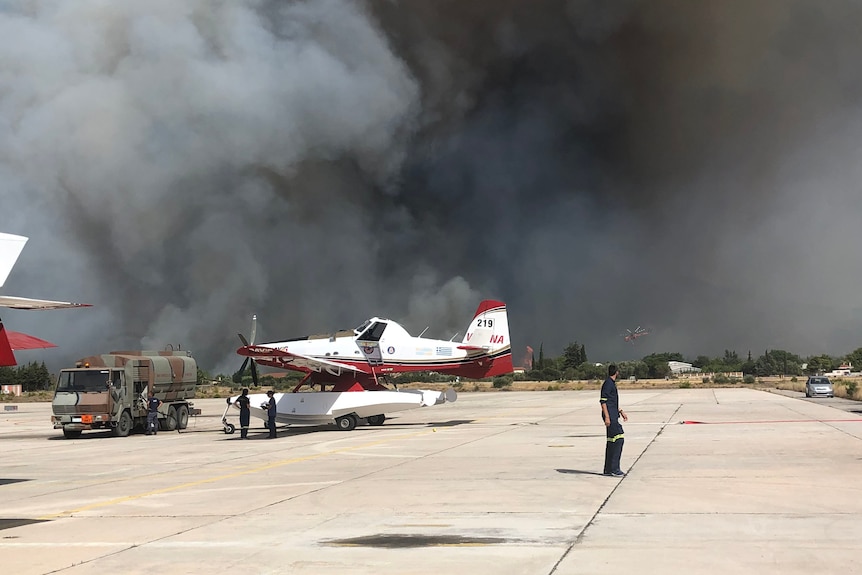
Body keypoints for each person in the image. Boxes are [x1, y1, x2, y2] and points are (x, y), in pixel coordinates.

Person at [600, 364, 628, 476]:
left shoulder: (611, 383)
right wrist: (607, 417)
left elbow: (612, 402)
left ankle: (608, 469)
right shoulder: (608, 384)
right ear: (616, 372)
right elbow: (603, 401)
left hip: (613, 414)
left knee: (611, 441)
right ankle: (615, 469)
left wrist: (621, 411)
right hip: (610, 416)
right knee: (619, 438)